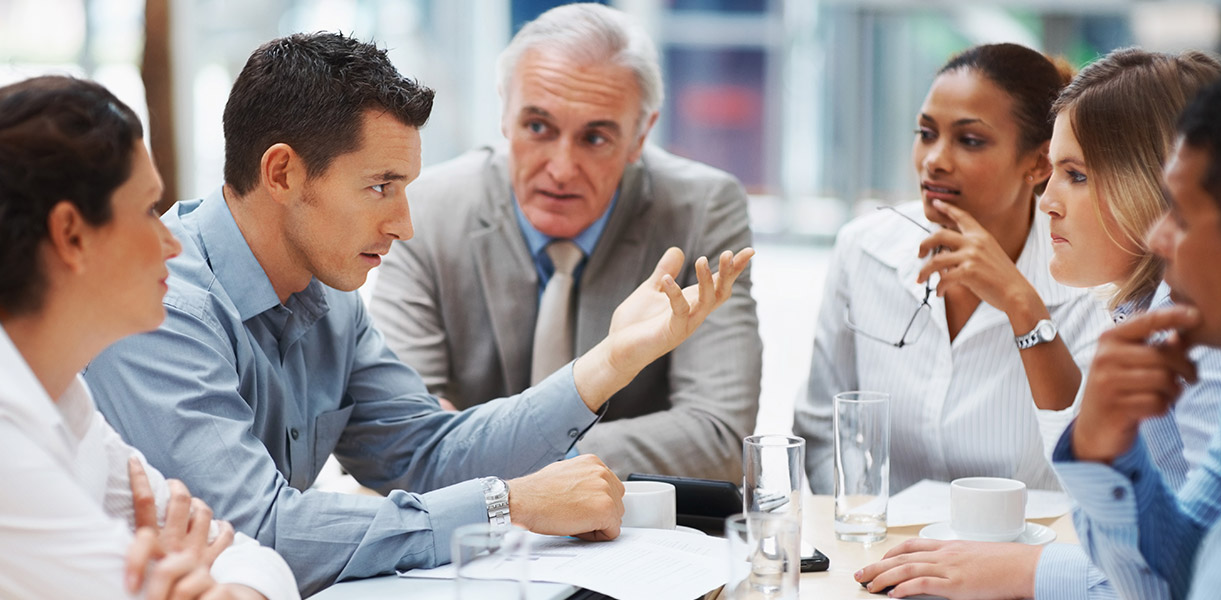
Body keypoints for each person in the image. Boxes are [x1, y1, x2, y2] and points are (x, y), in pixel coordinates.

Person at [83, 32, 753, 595]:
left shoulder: (330, 297)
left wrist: (612, 360)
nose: (404, 225)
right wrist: (507, 504)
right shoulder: (161, 308)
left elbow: (430, 452)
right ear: (282, 173)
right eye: (381, 186)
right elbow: (259, 530)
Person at [853, 48, 1221, 600]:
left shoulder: (1210, 342)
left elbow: (1188, 579)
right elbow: (1170, 567)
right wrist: (1103, 455)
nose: (1048, 202)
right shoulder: (1146, 314)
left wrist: (1025, 570)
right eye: (1055, 172)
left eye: (1075, 175)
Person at [367, 2, 761, 483]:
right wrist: (513, 461)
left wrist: (483, 456)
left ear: (640, 136)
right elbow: (401, 433)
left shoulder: (703, 209)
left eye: (594, 138)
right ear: (504, 114)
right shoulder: (429, 209)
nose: (560, 169)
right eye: (538, 128)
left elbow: (720, 437)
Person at [0, 76, 298, 600]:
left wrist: (227, 588)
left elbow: (251, 553)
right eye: (146, 210)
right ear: (71, 235)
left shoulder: (68, 399)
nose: (170, 243)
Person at [793, 43, 1111, 495]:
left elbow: (1092, 471)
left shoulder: (1092, 283)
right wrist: (862, 521)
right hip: (881, 538)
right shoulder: (862, 250)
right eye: (926, 133)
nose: (934, 160)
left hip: (1026, 539)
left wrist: (1022, 304)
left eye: (969, 140)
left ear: (1038, 163)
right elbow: (822, 427)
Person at [1049, 69, 1221, 600]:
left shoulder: (1209, 346)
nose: (1158, 235)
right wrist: (1101, 453)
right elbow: (1182, 575)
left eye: (1181, 214)